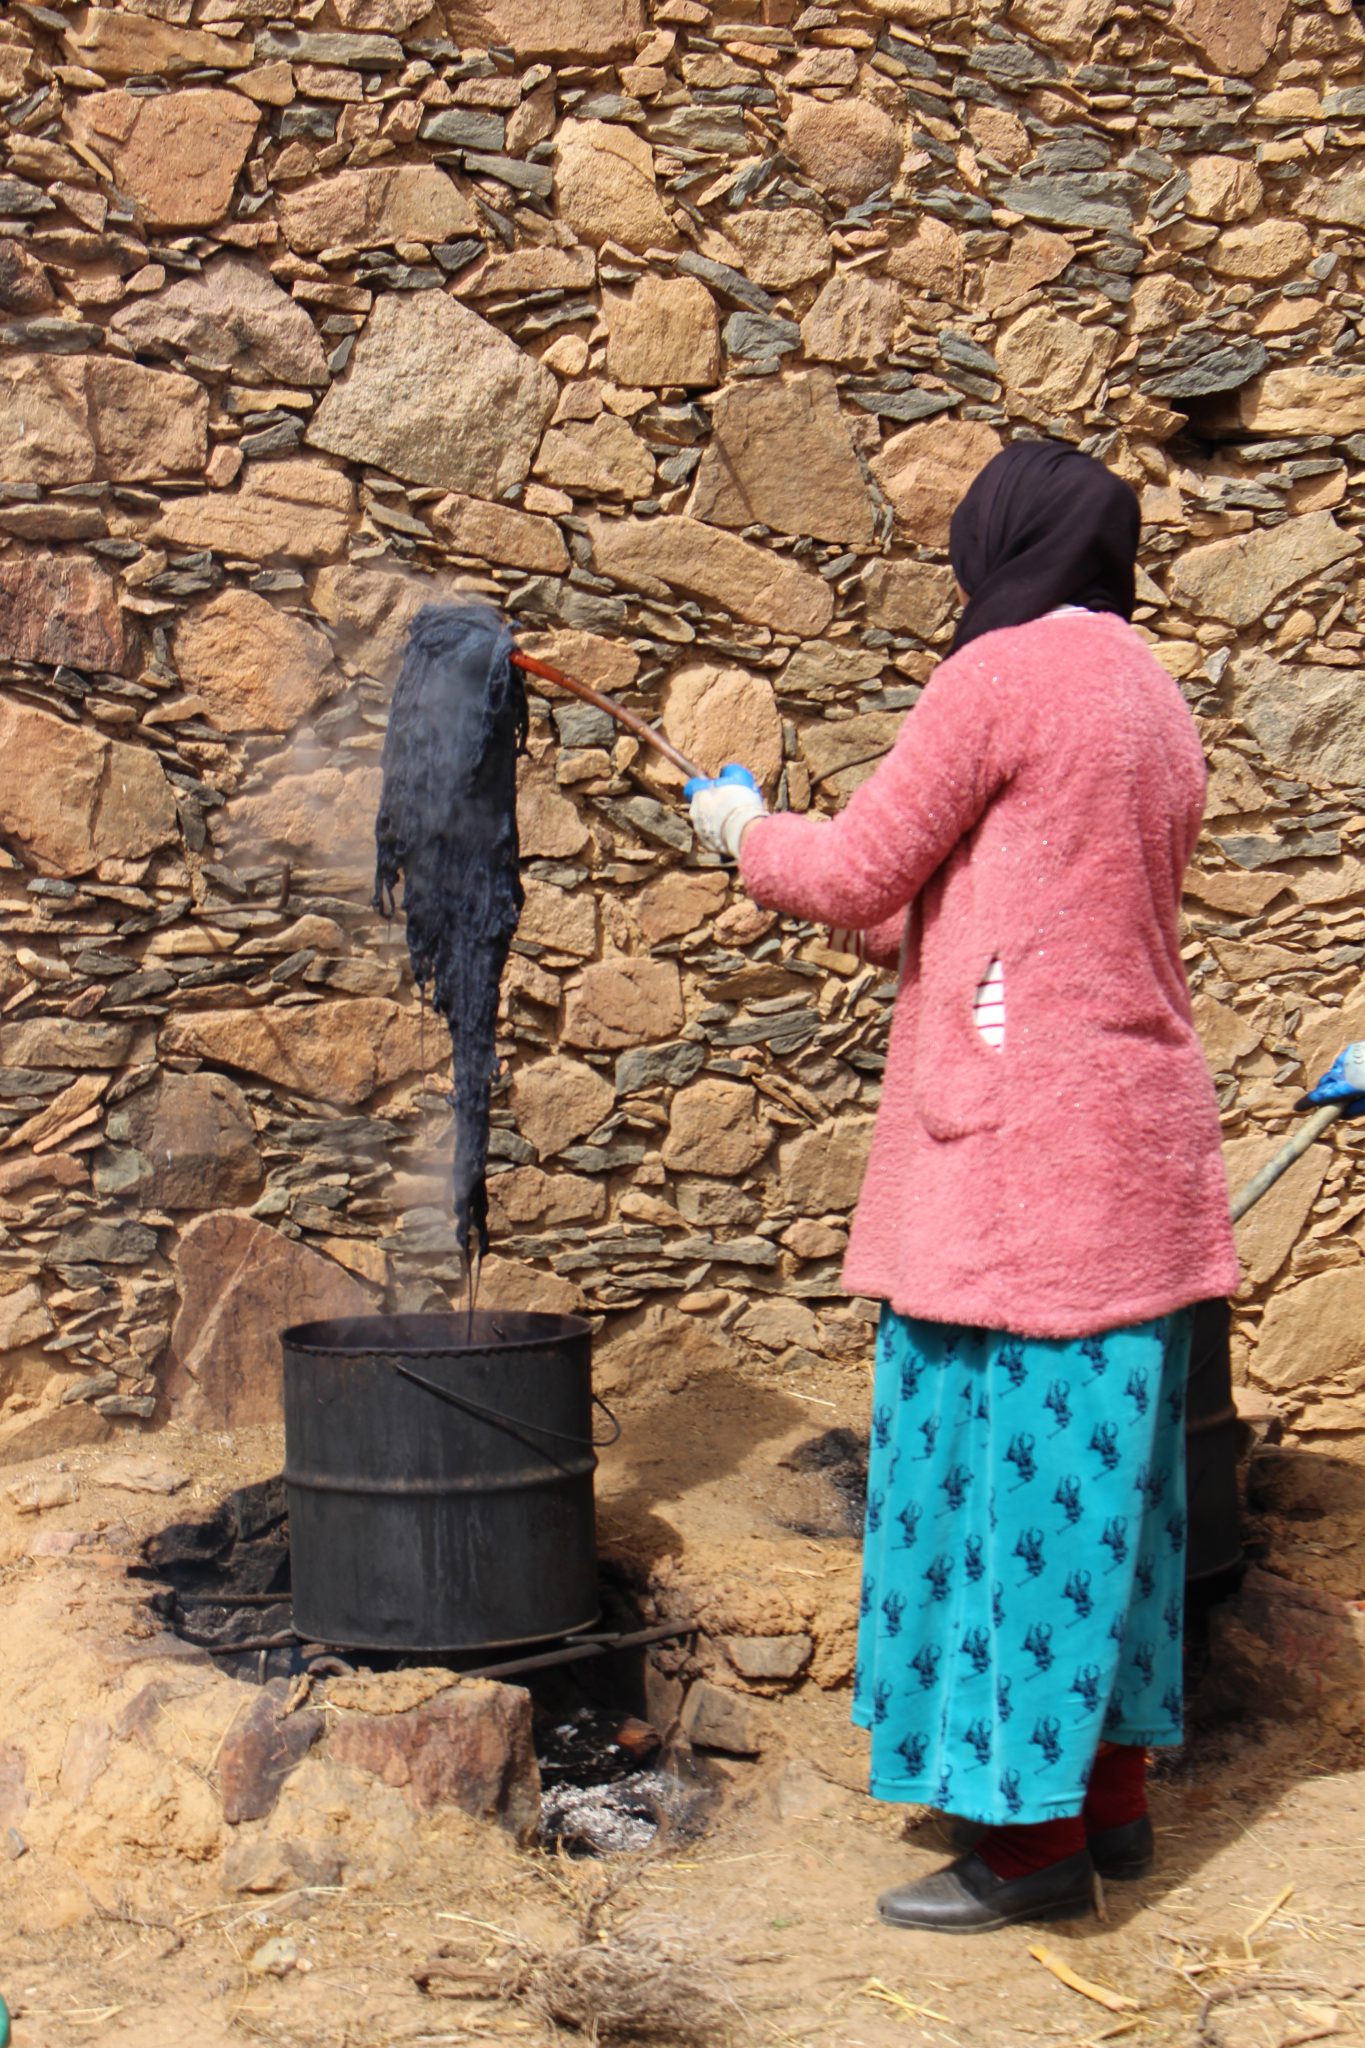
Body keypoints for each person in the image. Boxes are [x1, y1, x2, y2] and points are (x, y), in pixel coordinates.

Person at [686, 440, 1239, 1934]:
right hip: (1130, 1154)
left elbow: (859, 872)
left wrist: (743, 829)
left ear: (996, 543)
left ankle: (1025, 1851)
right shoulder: (1149, 694)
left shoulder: (997, 674)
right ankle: (1104, 1805)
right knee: (1109, 1507)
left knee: (1007, 1498)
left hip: (1019, 1167)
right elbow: (1000, 912)